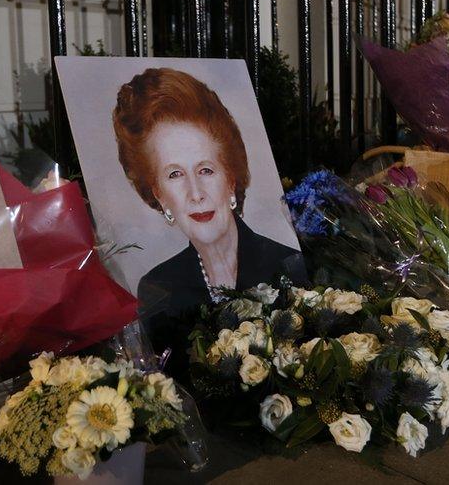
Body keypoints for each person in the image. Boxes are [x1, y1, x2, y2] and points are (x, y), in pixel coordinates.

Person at [112, 67, 306, 376]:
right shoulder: (158, 288)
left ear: (230, 179)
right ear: (159, 195)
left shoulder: (286, 265)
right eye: (175, 175)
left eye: (205, 170)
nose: (195, 193)